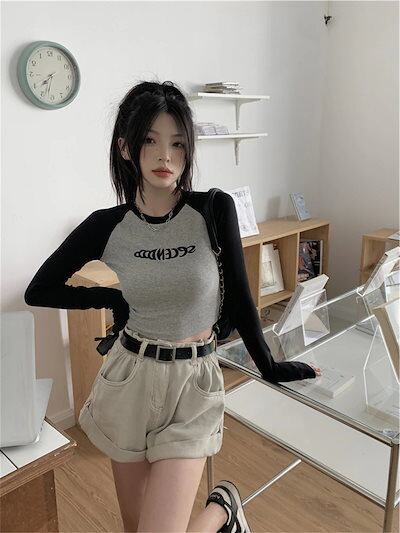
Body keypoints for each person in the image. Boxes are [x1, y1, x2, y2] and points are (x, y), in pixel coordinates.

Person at [24, 79, 321, 533]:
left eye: (178, 144)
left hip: (193, 382)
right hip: (130, 378)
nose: (166, 156)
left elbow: (241, 300)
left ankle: (223, 508)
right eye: (150, 140)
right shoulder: (107, 226)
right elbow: (40, 290)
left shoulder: (212, 210)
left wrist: (270, 366)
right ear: (126, 147)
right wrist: (112, 297)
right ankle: (225, 514)